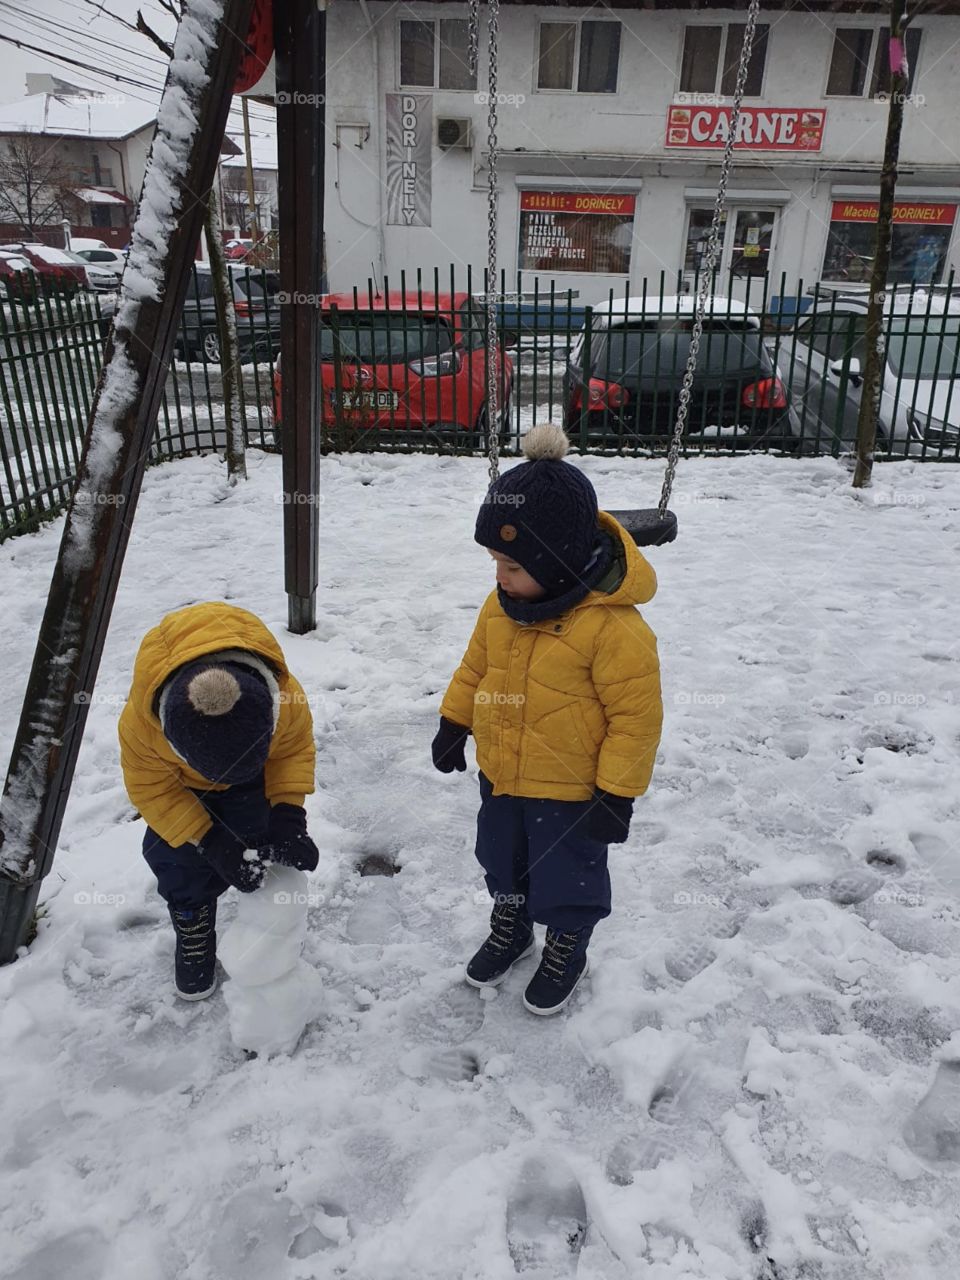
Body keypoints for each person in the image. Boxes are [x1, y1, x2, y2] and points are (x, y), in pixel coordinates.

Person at [432, 423, 663, 1015]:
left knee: (568, 876)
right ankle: (511, 927)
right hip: (502, 773)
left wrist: (617, 793)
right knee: (500, 858)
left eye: (511, 564)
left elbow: (635, 720)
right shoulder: (500, 607)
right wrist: (454, 722)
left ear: (555, 559)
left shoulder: (614, 628)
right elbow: (475, 667)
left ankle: (566, 943)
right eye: (494, 561)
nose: (499, 576)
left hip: (572, 791)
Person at [119, 603, 318, 1001]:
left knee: (259, 839)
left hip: (255, 779)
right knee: (175, 854)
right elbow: (154, 790)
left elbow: (292, 751)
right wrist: (209, 841)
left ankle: (266, 927)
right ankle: (192, 917)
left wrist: (288, 815)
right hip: (184, 789)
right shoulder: (142, 727)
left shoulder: (285, 698)